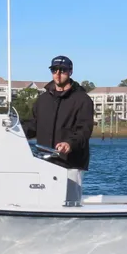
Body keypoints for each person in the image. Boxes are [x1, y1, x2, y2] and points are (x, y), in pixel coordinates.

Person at [24, 55, 95, 201]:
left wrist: (70, 143)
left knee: (70, 204)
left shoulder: (82, 99)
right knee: (43, 202)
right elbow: (33, 125)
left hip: (71, 163)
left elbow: (85, 129)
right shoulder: (43, 100)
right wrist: (14, 131)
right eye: (54, 70)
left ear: (70, 72)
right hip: (44, 163)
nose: (58, 73)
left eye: (62, 70)